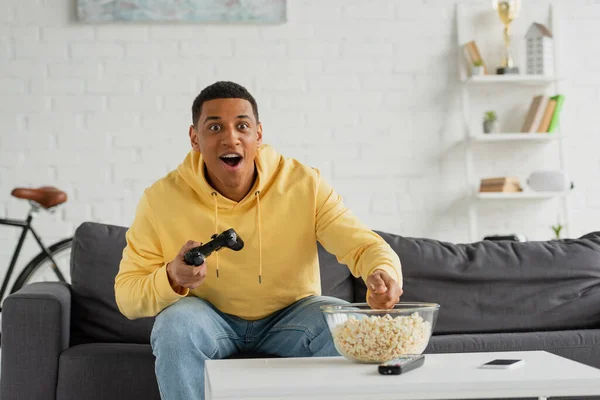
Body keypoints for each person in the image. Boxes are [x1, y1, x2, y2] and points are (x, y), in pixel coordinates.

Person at [114, 81, 403, 400]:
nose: (230, 137)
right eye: (214, 127)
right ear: (195, 139)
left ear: (259, 134)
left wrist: (383, 273)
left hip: (293, 316)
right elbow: (127, 295)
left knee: (347, 322)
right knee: (174, 325)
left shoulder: (304, 183)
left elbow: (363, 244)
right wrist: (170, 277)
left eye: (242, 126)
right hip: (206, 317)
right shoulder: (160, 199)